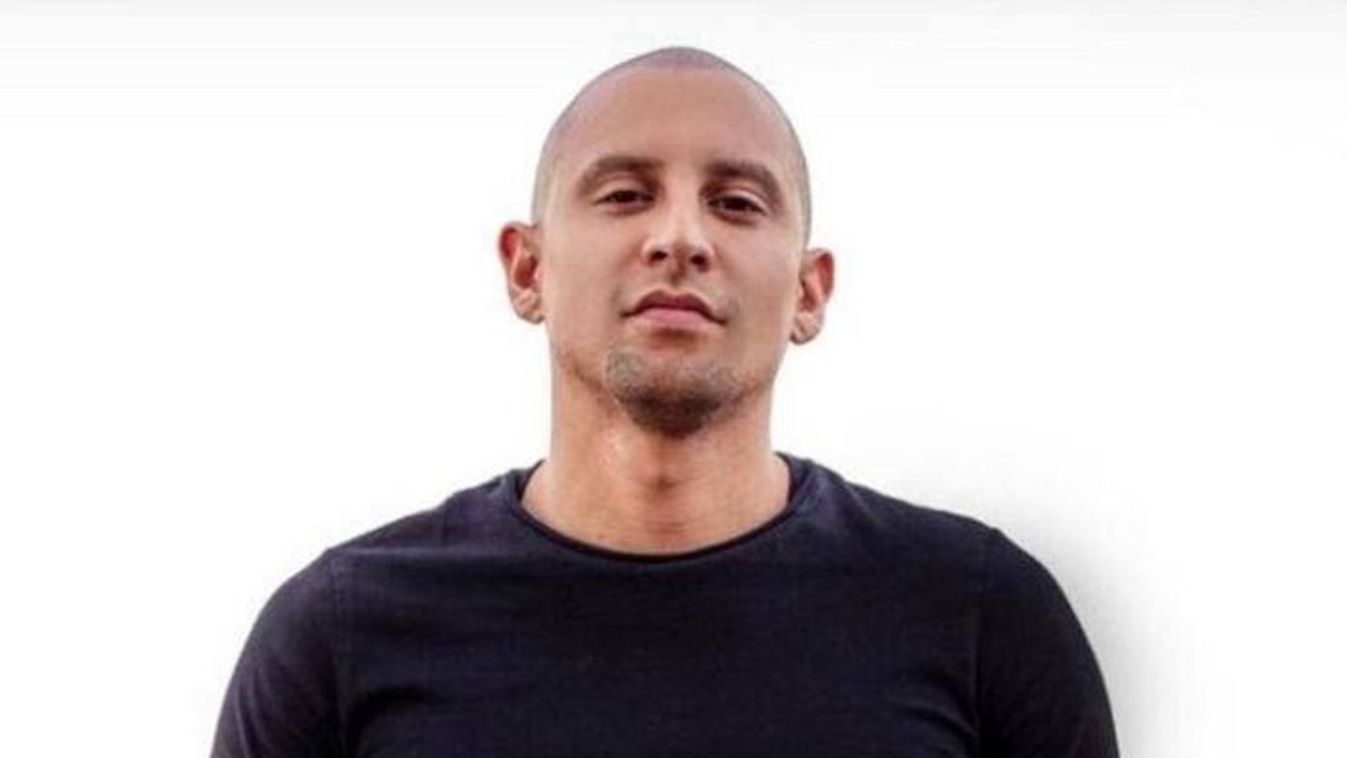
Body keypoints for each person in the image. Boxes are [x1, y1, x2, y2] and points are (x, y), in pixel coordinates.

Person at [211, 46, 1119, 757]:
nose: (679, 237)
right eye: (624, 194)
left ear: (808, 292)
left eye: (736, 202)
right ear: (527, 269)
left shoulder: (979, 615)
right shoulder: (340, 633)